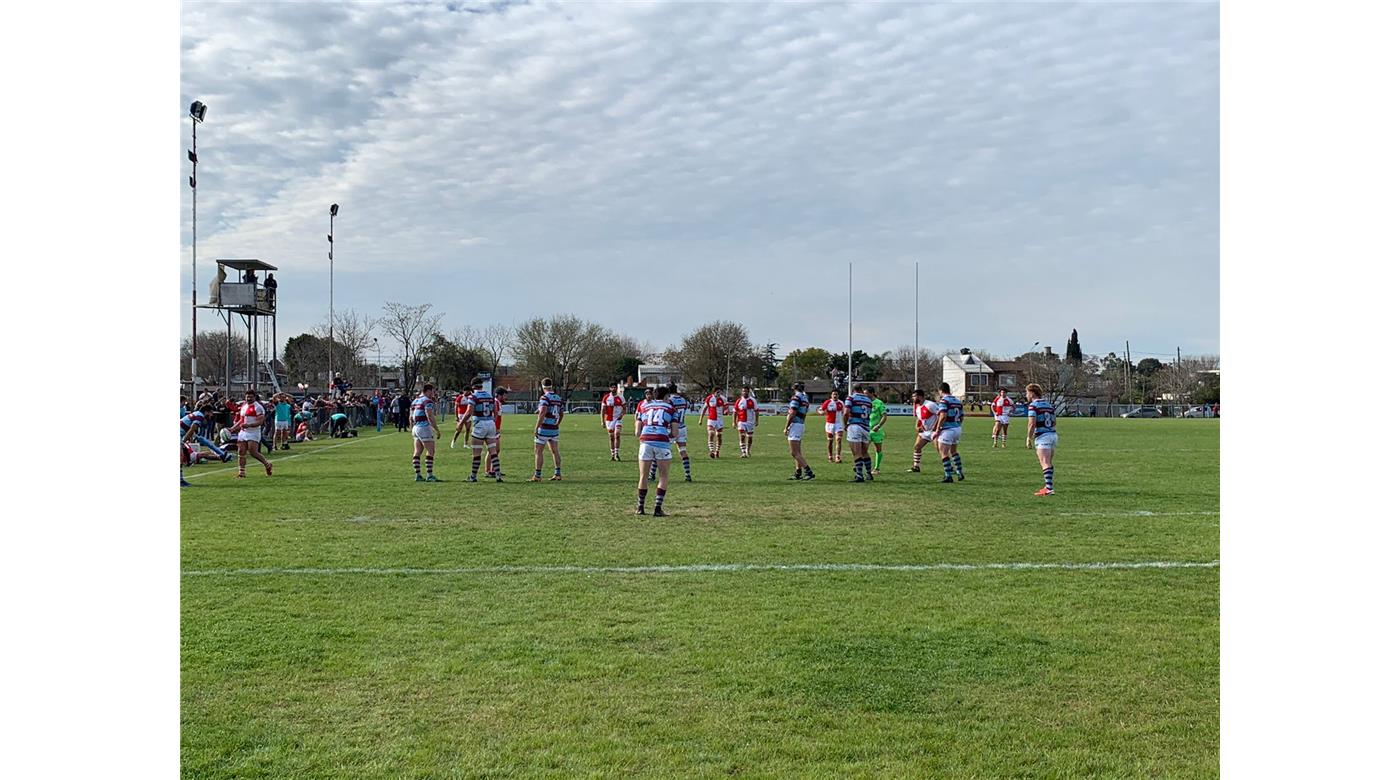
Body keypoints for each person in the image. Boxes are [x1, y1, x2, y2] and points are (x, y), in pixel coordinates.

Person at [634, 390, 679, 517]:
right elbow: (675, 433)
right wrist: (666, 434)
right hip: (662, 442)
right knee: (663, 476)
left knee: (643, 476)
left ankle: (640, 507)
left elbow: (637, 432)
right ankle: (657, 508)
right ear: (666, 396)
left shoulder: (644, 406)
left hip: (645, 441)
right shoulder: (671, 408)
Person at [228, 389, 273, 479]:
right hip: (243, 432)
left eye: (251, 397)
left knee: (253, 452)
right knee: (241, 451)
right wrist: (233, 428)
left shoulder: (258, 407)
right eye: (247, 396)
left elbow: (260, 421)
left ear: (254, 397)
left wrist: (249, 425)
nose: (249, 398)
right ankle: (242, 473)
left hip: (253, 432)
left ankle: (267, 464)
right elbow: (241, 420)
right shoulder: (244, 406)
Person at [465, 379, 502, 483]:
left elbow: (469, 412)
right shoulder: (490, 396)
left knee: (476, 452)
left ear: (473, 387)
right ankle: (498, 475)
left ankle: (473, 476)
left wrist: (460, 423)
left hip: (479, 424)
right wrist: (492, 421)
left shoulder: (473, 397)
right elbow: (496, 412)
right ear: (482, 386)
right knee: (493, 452)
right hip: (490, 424)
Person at [1025, 383, 1058, 496]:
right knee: (1048, 462)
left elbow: (1031, 423)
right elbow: (1054, 422)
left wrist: (1028, 437)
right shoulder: (1049, 405)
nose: (1026, 395)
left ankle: (1049, 489)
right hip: (1053, 435)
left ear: (1032, 393)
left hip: (1043, 436)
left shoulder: (1033, 406)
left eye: (1027, 393)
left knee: (1045, 462)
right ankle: (1048, 486)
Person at [530, 379, 564, 481]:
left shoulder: (544, 397)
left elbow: (543, 412)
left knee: (538, 451)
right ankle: (557, 473)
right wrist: (558, 423)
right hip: (554, 428)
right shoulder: (558, 398)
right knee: (555, 451)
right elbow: (561, 413)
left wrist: (536, 427)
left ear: (542, 386)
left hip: (544, 428)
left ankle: (537, 475)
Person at [932, 382, 965, 483]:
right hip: (957, 428)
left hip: (947, 429)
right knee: (954, 451)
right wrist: (957, 425)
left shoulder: (944, 401)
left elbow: (943, 416)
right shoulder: (957, 400)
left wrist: (937, 429)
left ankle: (948, 476)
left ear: (941, 391)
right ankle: (959, 472)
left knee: (944, 453)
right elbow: (962, 416)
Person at [660, 383, 693, 482]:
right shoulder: (684, 400)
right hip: (682, 427)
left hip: (672, 428)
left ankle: (652, 474)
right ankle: (687, 474)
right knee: (682, 450)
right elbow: (688, 406)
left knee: (661, 450)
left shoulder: (670, 401)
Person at [783, 382, 815, 480]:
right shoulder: (805, 398)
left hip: (795, 425)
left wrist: (786, 427)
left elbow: (792, 413)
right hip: (801, 424)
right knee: (798, 451)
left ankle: (808, 471)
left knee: (794, 452)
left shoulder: (796, 398)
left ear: (794, 388)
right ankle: (798, 472)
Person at [409, 383, 441, 482]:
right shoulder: (427, 401)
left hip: (415, 427)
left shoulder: (415, 400)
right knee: (431, 451)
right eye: (433, 391)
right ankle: (429, 475)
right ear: (428, 390)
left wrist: (411, 427)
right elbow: (429, 416)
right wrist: (436, 429)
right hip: (423, 427)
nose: (433, 393)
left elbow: (410, 417)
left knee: (417, 451)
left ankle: (418, 475)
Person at [844, 384, 874, 482]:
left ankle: (859, 475)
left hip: (855, 426)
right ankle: (869, 473)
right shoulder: (868, 400)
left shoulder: (851, 398)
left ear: (853, 390)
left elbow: (846, 412)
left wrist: (845, 424)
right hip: (866, 427)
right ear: (861, 390)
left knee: (856, 453)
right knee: (864, 452)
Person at [909, 388, 937, 473]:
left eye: (914, 396)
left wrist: (936, 427)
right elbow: (919, 419)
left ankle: (950, 467)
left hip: (934, 431)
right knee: (917, 447)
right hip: (925, 432)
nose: (913, 398)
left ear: (920, 396)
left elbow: (940, 415)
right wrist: (917, 427)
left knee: (941, 450)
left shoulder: (930, 405)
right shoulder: (918, 408)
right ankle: (916, 467)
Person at [601, 382, 627, 461]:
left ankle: (617, 454)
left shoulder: (621, 397)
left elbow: (625, 408)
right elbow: (602, 410)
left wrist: (621, 415)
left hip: (618, 419)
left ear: (616, 388)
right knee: (611, 437)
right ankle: (612, 454)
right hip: (609, 420)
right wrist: (602, 421)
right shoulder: (606, 397)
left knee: (617, 434)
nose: (613, 388)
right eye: (612, 387)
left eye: (615, 387)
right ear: (610, 388)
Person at [487, 386, 508, 479]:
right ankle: (488, 471)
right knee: (492, 450)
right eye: (504, 395)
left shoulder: (498, 403)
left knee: (496, 450)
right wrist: (494, 428)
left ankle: (493, 469)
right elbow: (493, 417)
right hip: (493, 430)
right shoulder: (495, 403)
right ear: (498, 395)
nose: (505, 397)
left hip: (496, 430)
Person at [819, 390, 846, 463]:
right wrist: (821, 412)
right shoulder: (828, 402)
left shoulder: (841, 403)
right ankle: (830, 456)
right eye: (833, 394)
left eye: (836, 394)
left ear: (838, 395)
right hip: (829, 424)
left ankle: (837, 457)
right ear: (831, 395)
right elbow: (820, 409)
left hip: (839, 424)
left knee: (838, 440)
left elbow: (844, 413)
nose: (835, 396)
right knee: (830, 441)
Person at [732, 385, 758, 458]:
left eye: (746, 391)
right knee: (742, 436)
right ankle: (743, 452)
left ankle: (748, 450)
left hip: (750, 422)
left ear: (748, 392)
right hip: (741, 421)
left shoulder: (753, 400)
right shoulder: (739, 401)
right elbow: (735, 412)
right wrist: (734, 422)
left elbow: (756, 411)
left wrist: (756, 420)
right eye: (743, 391)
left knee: (750, 437)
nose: (744, 392)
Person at [703, 387, 728, 458]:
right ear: (714, 392)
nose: (719, 394)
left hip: (720, 420)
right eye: (717, 392)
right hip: (711, 419)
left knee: (719, 436)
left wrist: (726, 411)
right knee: (711, 433)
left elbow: (726, 407)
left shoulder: (723, 399)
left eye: (720, 392)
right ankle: (712, 451)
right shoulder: (709, 398)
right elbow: (704, 408)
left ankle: (717, 451)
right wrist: (701, 419)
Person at [868, 392, 888, 474]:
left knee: (878, 449)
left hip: (876, 431)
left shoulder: (879, 403)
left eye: (866, 393)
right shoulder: (865, 403)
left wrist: (878, 426)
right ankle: (864, 467)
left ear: (871, 393)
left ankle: (877, 468)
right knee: (863, 449)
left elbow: (884, 416)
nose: (865, 395)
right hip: (866, 430)